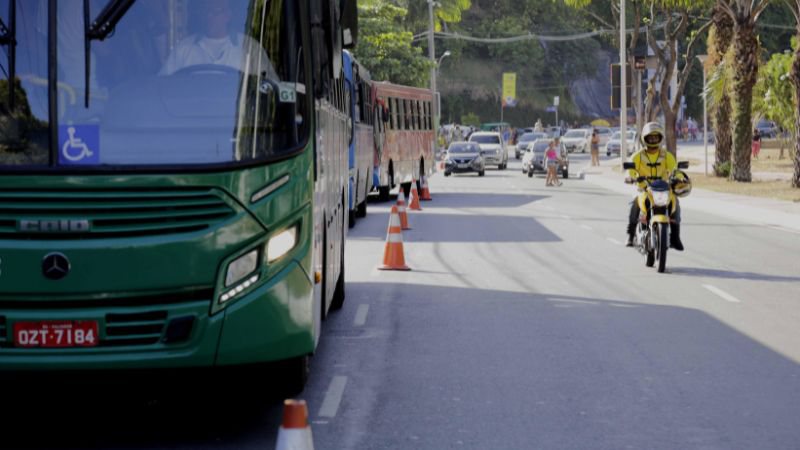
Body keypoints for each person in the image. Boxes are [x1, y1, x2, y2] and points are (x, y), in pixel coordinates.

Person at [159, 0, 276, 78]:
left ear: (228, 15)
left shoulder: (249, 47)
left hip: (238, 113)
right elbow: (163, 84)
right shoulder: (183, 49)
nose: (209, 16)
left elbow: (269, 85)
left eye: (215, 12)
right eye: (206, 11)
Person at [625, 122, 684, 250]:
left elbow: (675, 170)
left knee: (675, 203)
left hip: (663, 189)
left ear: (660, 138)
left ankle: (675, 237)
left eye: (655, 137)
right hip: (644, 189)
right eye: (650, 137)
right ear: (644, 139)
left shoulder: (666, 155)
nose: (653, 140)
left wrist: (679, 178)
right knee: (635, 203)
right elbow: (630, 170)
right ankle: (630, 234)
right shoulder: (637, 156)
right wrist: (631, 177)